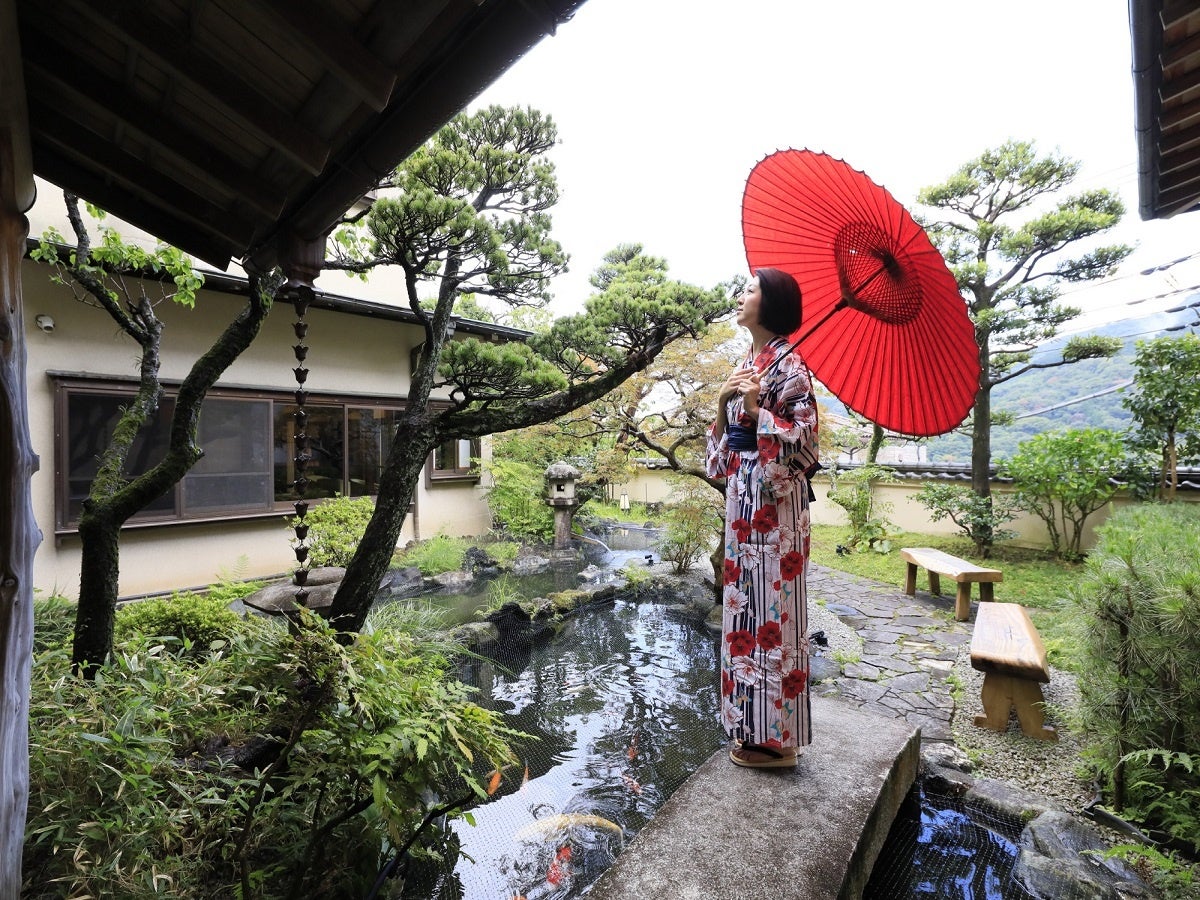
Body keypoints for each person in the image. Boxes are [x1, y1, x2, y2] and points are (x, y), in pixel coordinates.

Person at [706, 267, 820, 768]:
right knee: (743, 612)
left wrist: (761, 413)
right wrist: (723, 402)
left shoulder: (792, 368)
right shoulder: (747, 363)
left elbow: (805, 443)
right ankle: (752, 728)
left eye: (749, 290)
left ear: (770, 304)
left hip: (776, 508)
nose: (740, 296)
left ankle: (781, 742)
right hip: (742, 503)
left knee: (775, 613)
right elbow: (724, 450)